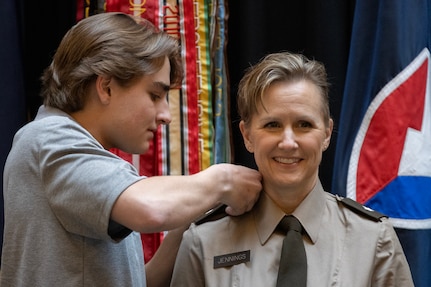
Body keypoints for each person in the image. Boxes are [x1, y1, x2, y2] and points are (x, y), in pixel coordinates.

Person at [1, 12, 262, 287]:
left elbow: (137, 281)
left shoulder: (74, 156)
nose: (166, 115)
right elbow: (149, 209)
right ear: (106, 87)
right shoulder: (49, 139)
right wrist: (222, 180)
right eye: (155, 95)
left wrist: (185, 224)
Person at [170, 52, 414, 286]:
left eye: (304, 124)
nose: (288, 142)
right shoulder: (204, 241)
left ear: (327, 133)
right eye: (272, 125)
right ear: (247, 136)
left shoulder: (374, 240)